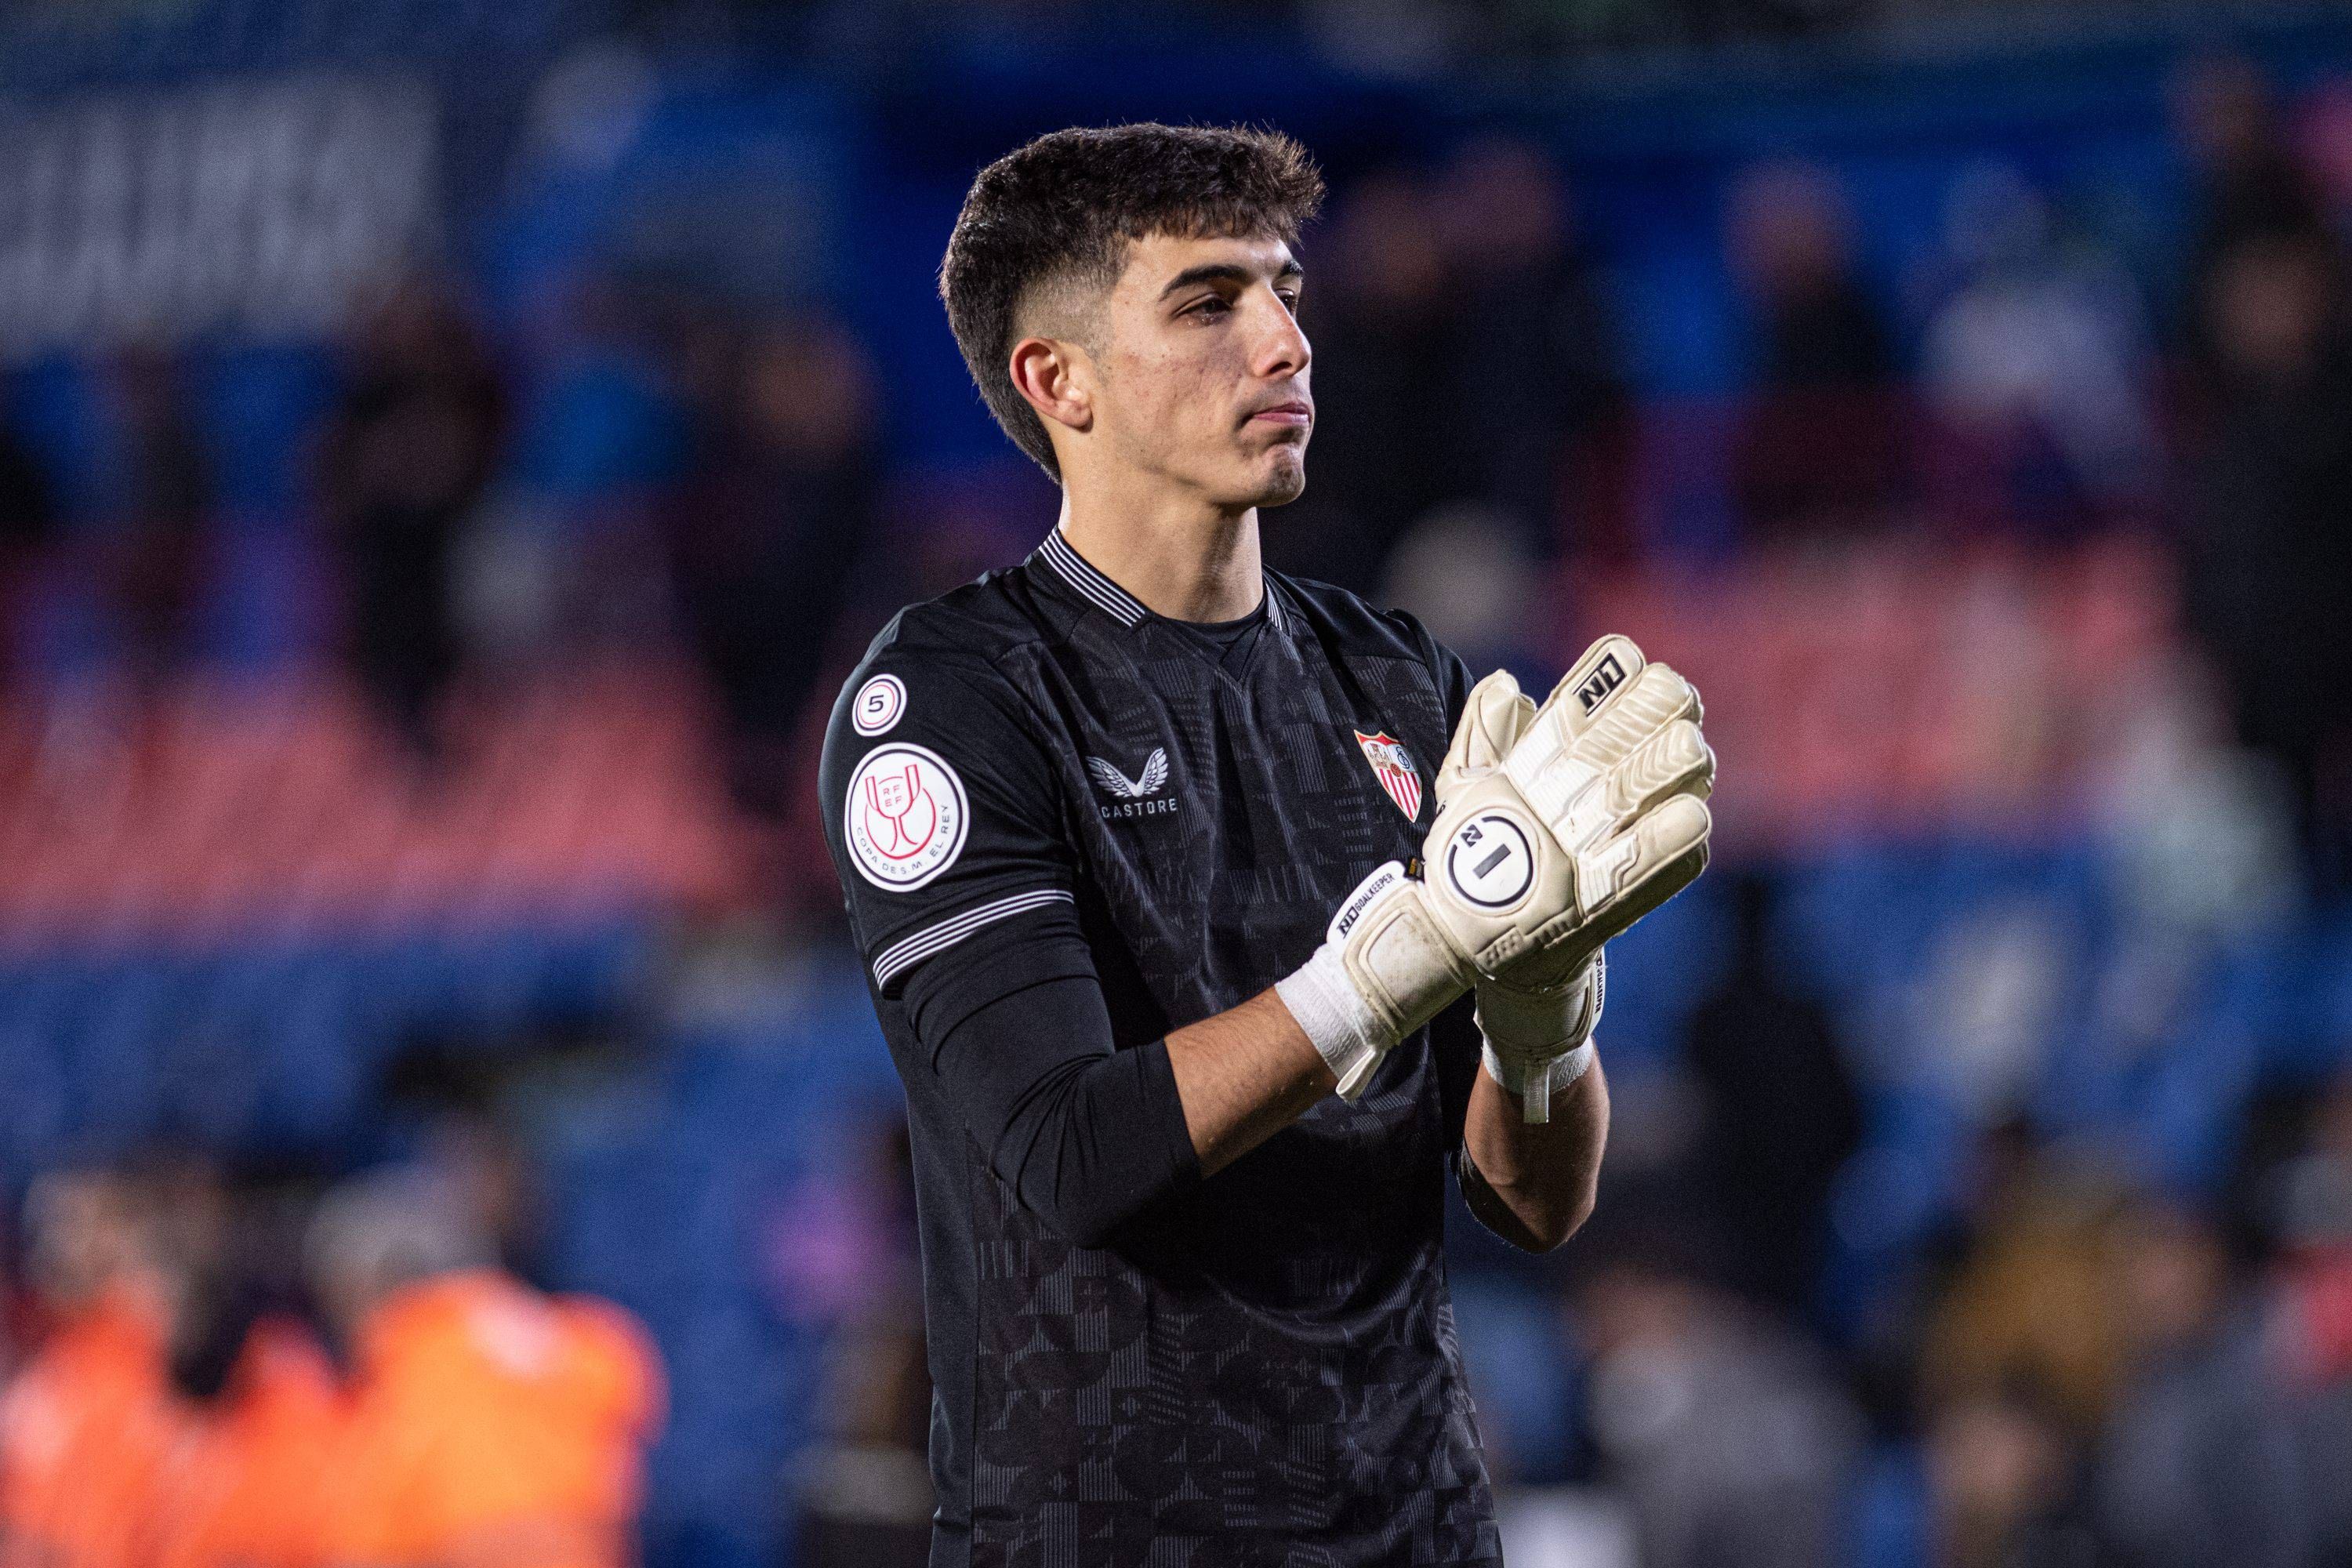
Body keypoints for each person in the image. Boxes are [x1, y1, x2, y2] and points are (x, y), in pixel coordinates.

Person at [815, 123, 1716, 1566]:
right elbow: (1070, 1151)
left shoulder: (1400, 679)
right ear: (1061, 381)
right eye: (1207, 302)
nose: (1287, 341)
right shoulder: (952, 696)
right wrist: (1403, 961)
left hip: (1415, 1527)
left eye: (1285, 291)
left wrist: (1541, 1013)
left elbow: (1532, 1206)